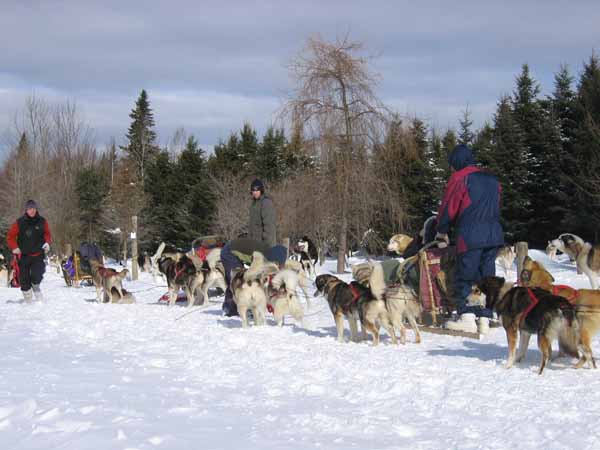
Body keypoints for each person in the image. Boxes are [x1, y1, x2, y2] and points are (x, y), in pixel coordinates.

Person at [435, 144, 504, 333]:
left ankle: (466, 317)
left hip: (471, 236)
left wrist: (442, 229)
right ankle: (485, 317)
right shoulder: (492, 179)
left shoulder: (460, 178)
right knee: (487, 278)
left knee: (465, 275)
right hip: (494, 235)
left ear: (456, 162)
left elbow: (449, 207)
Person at [221, 237, 288, 317]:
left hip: (235, 252)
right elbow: (252, 275)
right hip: (228, 253)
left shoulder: (268, 252)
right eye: (277, 263)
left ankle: (237, 306)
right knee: (236, 281)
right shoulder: (259, 255)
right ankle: (231, 308)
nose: (277, 266)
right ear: (275, 258)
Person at [6, 200, 52, 302]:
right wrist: (14, 247)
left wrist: (47, 243)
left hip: (38, 254)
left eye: (34, 208)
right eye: (30, 209)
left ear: (36, 209)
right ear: (26, 210)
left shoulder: (42, 221)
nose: (32, 211)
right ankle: (28, 300)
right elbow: (10, 236)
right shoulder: (19, 222)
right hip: (24, 255)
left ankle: (36, 288)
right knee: (24, 279)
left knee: (37, 275)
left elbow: (47, 234)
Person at [248, 179, 277, 247]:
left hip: (264, 244)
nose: (255, 192)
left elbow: (269, 226)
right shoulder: (254, 204)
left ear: (261, 190)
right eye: (253, 190)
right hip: (254, 243)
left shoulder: (266, 203)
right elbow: (252, 226)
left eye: (257, 190)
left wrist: (266, 243)